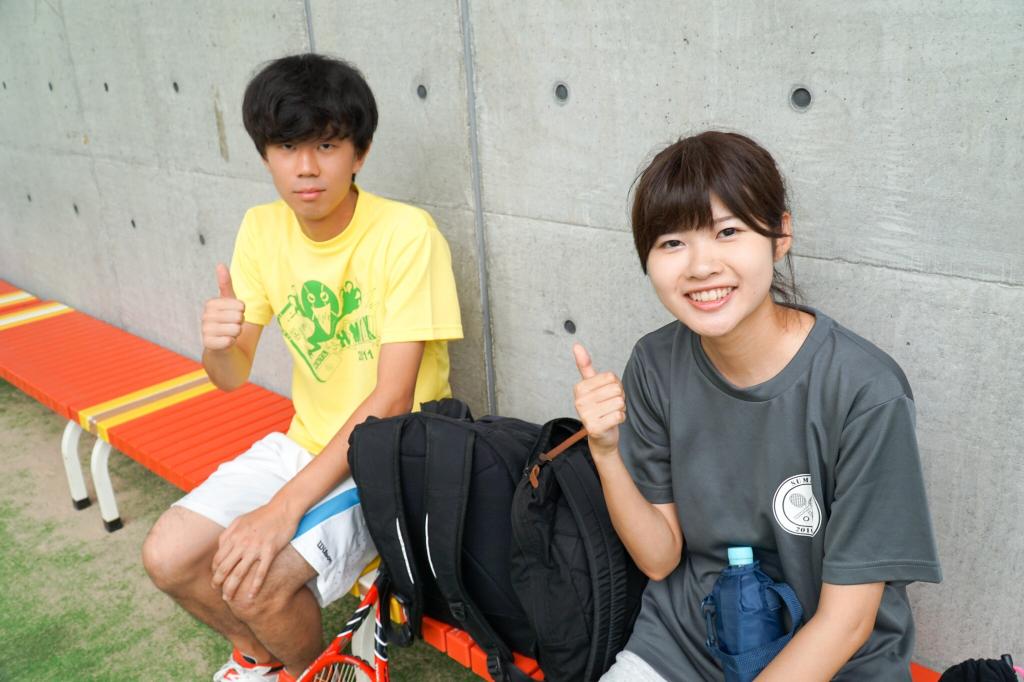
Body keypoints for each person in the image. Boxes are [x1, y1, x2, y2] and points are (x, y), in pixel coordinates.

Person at [571, 131, 941, 681]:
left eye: (728, 232)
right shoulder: (654, 363)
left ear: (780, 234)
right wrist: (606, 453)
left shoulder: (865, 391)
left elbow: (846, 623)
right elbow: (659, 557)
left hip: (832, 665)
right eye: (672, 242)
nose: (701, 266)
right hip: (685, 648)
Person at [141, 53, 463, 681]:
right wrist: (217, 344)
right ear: (266, 155)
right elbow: (231, 376)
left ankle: (324, 672)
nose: (307, 167)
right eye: (287, 147)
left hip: (395, 459)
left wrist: (282, 509)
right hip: (306, 445)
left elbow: (392, 400)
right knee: (167, 556)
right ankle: (269, 661)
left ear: (360, 154)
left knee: (255, 583)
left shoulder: (407, 233)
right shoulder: (261, 229)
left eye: (327, 145)